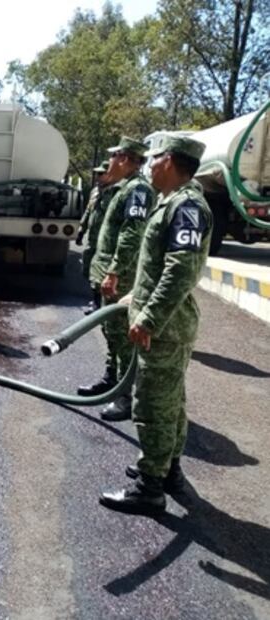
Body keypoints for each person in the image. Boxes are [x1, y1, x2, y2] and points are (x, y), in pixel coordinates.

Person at [100, 136, 211, 515]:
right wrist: (137, 296)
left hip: (166, 326)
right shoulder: (173, 201)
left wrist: (149, 318)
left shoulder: (186, 206)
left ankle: (150, 488)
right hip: (168, 321)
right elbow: (158, 267)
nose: (150, 163)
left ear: (172, 161)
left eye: (157, 157)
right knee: (171, 403)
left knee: (152, 405)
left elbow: (180, 270)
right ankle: (168, 469)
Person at [78, 137, 155, 423]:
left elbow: (132, 234)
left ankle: (124, 398)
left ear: (124, 158)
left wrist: (114, 271)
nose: (109, 162)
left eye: (113, 157)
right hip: (108, 273)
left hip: (120, 277)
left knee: (122, 338)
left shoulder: (138, 190)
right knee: (112, 333)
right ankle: (111, 381)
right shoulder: (122, 188)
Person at [76, 160, 112, 315]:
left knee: (101, 271)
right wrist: (81, 230)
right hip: (93, 237)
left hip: (106, 240)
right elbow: (88, 211)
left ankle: (99, 303)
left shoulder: (114, 192)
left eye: (101, 173)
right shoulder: (95, 191)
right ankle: (95, 298)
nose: (98, 176)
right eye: (97, 174)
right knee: (88, 267)